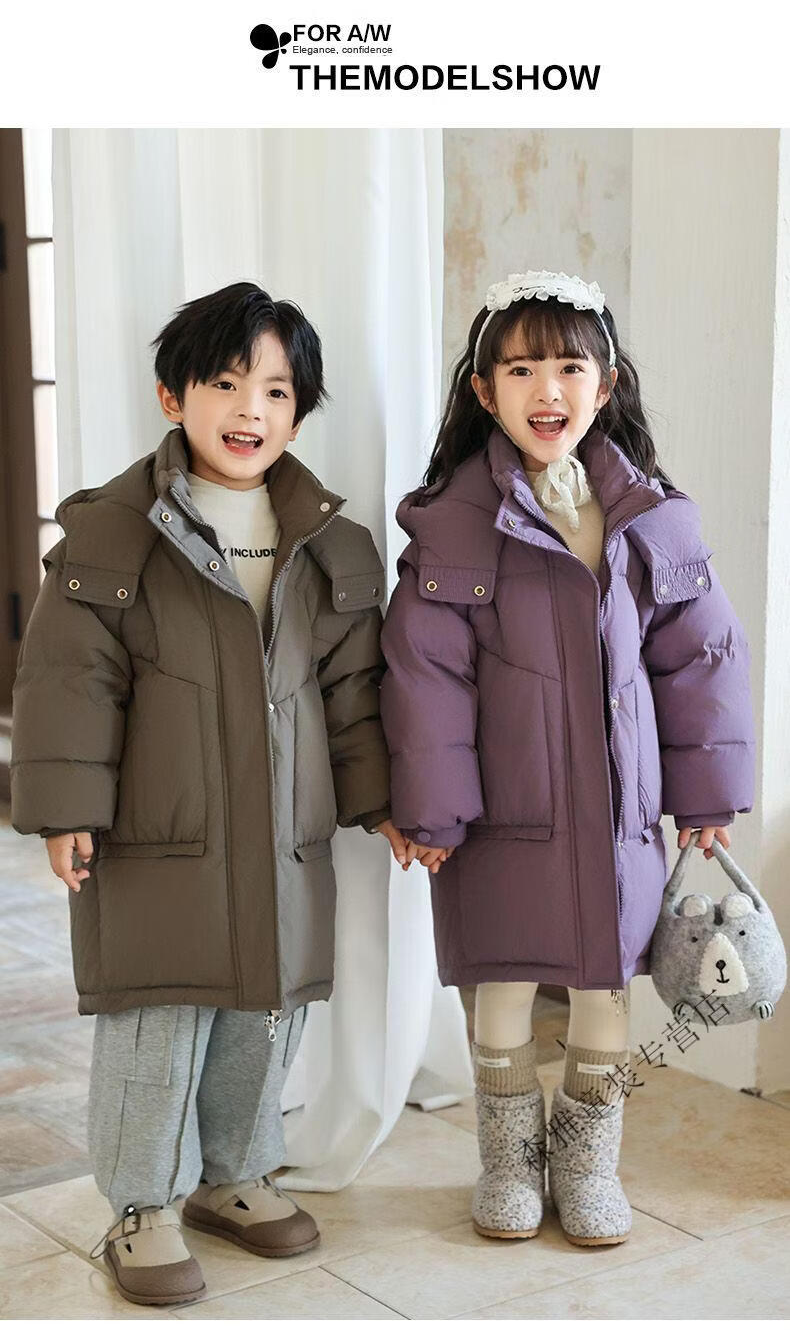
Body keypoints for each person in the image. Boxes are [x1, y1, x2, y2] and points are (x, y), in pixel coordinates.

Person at [10, 281, 406, 1306]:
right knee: (156, 1018)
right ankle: (141, 1204)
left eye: (275, 391)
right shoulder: (112, 534)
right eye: (226, 383)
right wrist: (67, 809)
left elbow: (354, 692)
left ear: (299, 413)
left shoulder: (333, 545)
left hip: (282, 832)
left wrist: (380, 800)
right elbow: (68, 679)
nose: (249, 410)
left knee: (263, 1013)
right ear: (171, 396)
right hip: (159, 833)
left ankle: (235, 1173)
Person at [379, 269, 755, 1247]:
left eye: (569, 368)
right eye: (520, 370)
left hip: (617, 815)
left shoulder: (651, 517)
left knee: (603, 985)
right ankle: (509, 1162)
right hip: (500, 814)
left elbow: (702, 658)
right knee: (500, 982)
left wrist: (706, 797)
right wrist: (434, 809)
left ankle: (587, 1165)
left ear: (607, 383)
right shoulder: (454, 524)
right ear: (483, 391)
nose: (546, 390)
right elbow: (424, 674)